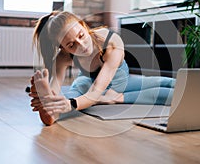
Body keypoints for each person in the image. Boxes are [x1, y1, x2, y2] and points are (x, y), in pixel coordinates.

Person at [28, 11, 176, 126]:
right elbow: (55, 89)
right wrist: (46, 99)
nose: (82, 45)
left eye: (81, 35)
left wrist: (72, 104)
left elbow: (95, 90)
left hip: (119, 81)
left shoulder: (111, 42)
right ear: (63, 48)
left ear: (84, 25)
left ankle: (115, 98)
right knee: (73, 93)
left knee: (171, 89)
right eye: (71, 45)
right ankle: (54, 114)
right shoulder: (63, 57)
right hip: (88, 80)